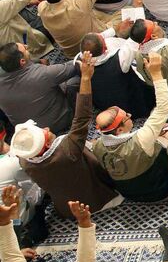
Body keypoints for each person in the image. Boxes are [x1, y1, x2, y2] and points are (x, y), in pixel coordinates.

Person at [9, 53, 121, 217]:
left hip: (66, 210)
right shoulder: (67, 150)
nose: (46, 128)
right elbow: (82, 116)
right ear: (46, 145)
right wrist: (85, 79)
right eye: (44, 133)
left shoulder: (25, 161)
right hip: (99, 200)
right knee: (100, 147)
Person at [91, 52, 168, 203]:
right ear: (119, 130)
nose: (130, 115)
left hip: (130, 196)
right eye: (127, 117)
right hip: (163, 190)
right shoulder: (141, 139)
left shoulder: (97, 145)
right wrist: (156, 74)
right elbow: (164, 109)